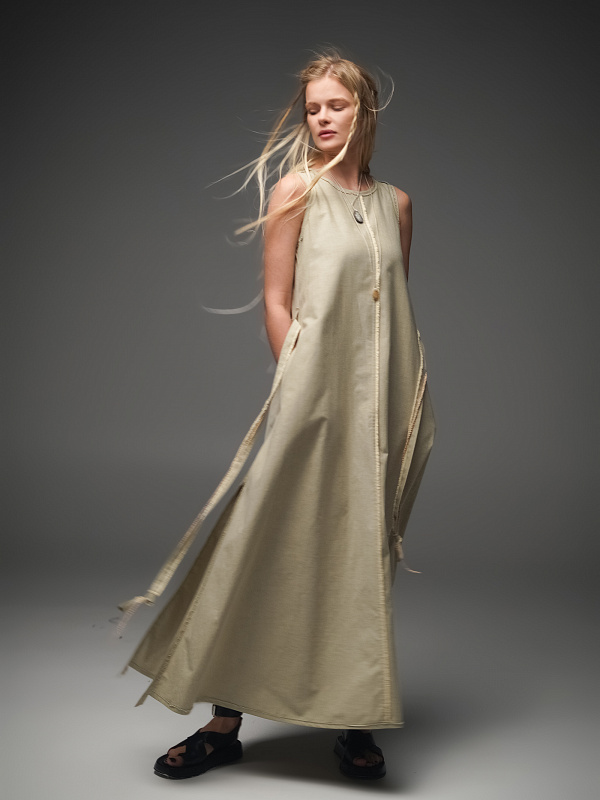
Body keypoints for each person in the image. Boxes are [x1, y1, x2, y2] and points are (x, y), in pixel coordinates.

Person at [118, 50, 435, 782]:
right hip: (313, 396)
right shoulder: (295, 190)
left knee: (362, 555)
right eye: (313, 108)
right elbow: (276, 300)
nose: (322, 118)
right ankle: (223, 722)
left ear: (365, 112)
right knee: (267, 543)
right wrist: (297, 384)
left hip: (384, 405)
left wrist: (407, 399)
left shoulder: (398, 204)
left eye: (336, 105)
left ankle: (353, 721)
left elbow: (392, 306)